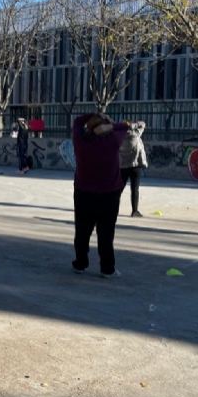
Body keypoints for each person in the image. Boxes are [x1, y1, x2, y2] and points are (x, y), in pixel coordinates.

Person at [71, 112, 129, 279]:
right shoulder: (112, 141)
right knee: (106, 233)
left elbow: (77, 121)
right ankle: (107, 268)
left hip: (83, 192)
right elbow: (125, 125)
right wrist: (110, 125)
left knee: (82, 231)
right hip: (109, 194)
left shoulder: (80, 141)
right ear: (104, 128)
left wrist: (95, 114)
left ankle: (80, 263)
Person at [119, 120, 148, 218]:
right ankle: (134, 211)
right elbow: (143, 125)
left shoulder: (119, 136)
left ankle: (112, 207)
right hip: (135, 165)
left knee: (118, 189)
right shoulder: (135, 134)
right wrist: (134, 124)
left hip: (122, 166)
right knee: (135, 188)